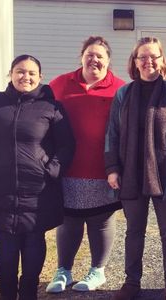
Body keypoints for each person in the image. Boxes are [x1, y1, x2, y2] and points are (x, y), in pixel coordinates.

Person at [0, 55, 74, 299]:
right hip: (0, 191)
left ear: (40, 77)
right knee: (5, 249)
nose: (25, 77)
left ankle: (29, 293)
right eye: (20, 71)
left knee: (33, 245)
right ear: (10, 74)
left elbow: (67, 145)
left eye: (31, 73)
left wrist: (51, 169)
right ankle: (7, 294)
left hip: (38, 192)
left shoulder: (52, 107)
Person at [104, 37, 166, 300]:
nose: (148, 61)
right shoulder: (124, 93)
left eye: (154, 56)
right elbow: (113, 133)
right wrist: (112, 167)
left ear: (162, 61)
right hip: (131, 172)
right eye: (142, 57)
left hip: (165, 173)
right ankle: (132, 282)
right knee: (134, 231)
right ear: (135, 62)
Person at [45, 36, 125, 294]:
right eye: (90, 54)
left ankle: (97, 271)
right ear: (81, 57)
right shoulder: (59, 84)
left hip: (105, 169)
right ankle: (63, 270)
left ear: (109, 60)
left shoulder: (120, 89)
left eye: (100, 56)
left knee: (101, 221)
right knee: (68, 221)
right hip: (67, 167)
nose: (95, 59)